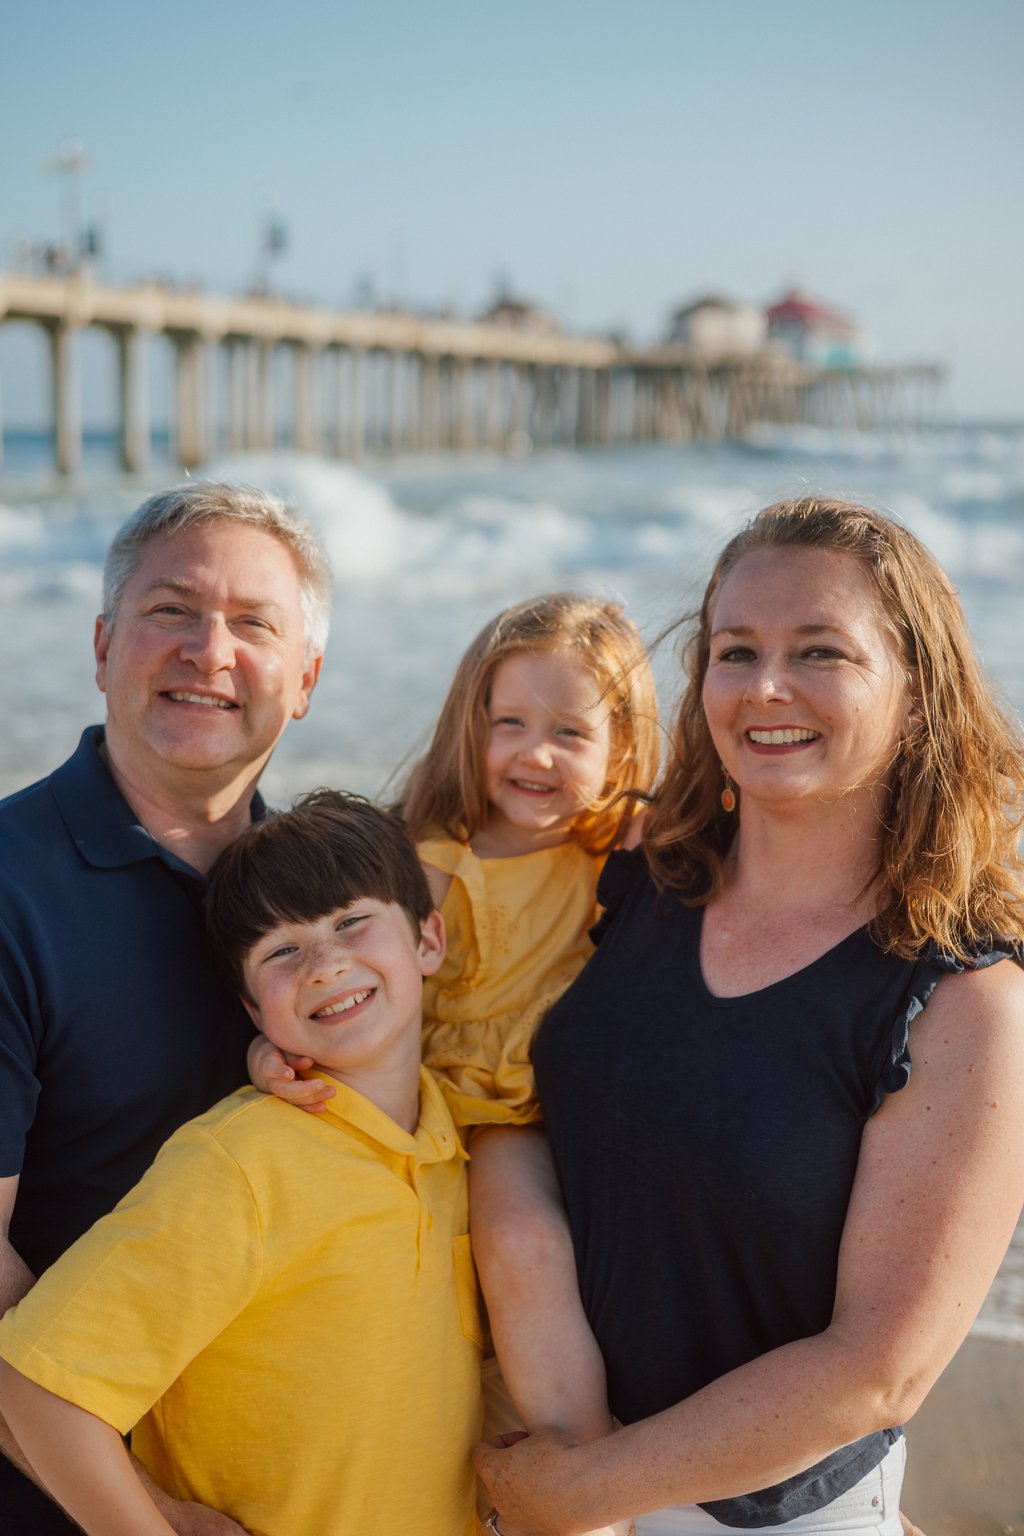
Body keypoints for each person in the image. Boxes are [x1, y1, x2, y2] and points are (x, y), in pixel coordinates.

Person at [474, 497, 1024, 1535]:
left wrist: (584, 1494)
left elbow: (878, 1370)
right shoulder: (635, 881)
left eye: (820, 651)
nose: (765, 688)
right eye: (736, 652)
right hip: (550, 1465)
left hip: (759, 1519)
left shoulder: (962, 1001)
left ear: (916, 698)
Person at [253, 592, 659, 1534]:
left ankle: (582, 1477)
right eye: (509, 723)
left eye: (570, 732)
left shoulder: (625, 848)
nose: (535, 754)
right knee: (459, 1253)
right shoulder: (437, 852)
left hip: (541, 1104)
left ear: (623, 747)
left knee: (525, 1245)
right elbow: (349, 972)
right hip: (439, 1098)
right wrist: (269, 1049)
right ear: (471, 727)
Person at [0, 790, 483, 1535]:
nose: (325, 964)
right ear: (254, 1011)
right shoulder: (241, 1163)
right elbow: (39, 1386)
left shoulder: (460, 1140)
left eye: (351, 922)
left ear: (429, 940)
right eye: (282, 951)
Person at [0, 482, 329, 1535]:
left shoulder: (337, 909)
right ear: (103, 648)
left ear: (306, 680)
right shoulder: (11, 888)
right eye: (171, 611)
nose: (208, 651)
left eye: (254, 624)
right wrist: (145, 1512)